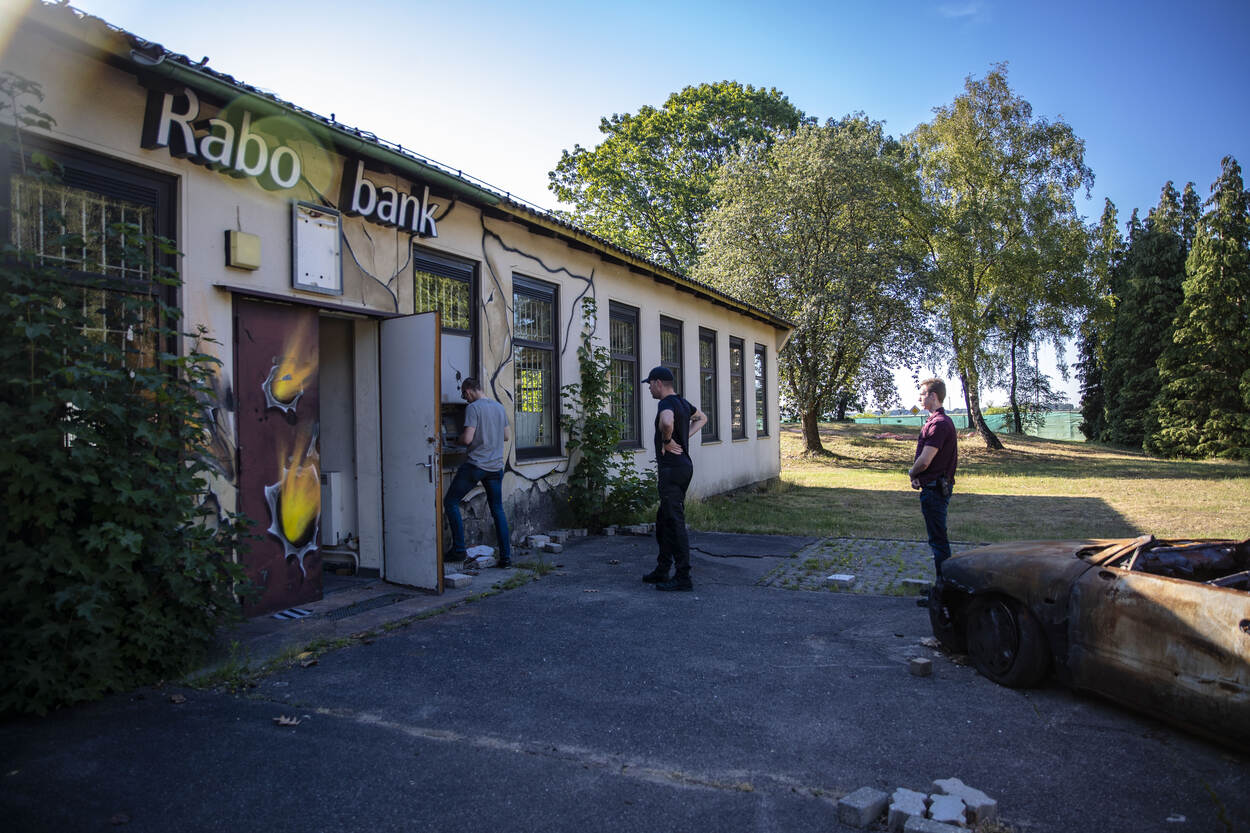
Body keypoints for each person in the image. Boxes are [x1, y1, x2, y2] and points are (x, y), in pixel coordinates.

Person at [640, 366, 707, 592]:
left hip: (672, 470)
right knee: (664, 521)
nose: (649, 388)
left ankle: (683, 576)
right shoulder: (682, 403)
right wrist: (683, 436)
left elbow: (667, 422)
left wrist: (668, 440)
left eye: (650, 384)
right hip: (682, 467)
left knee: (674, 521)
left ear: (658, 383)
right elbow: (702, 418)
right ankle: (662, 568)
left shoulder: (666, 403)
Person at [444, 377, 512, 568]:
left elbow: (467, 439)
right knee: (497, 509)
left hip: (476, 466)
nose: (465, 399)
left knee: (450, 502)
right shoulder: (499, 407)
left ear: (468, 391)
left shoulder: (473, 408)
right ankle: (506, 557)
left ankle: (459, 550)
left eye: (464, 395)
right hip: (495, 468)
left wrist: (454, 440)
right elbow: (506, 436)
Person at [908, 377, 958, 576]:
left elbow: (925, 460)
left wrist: (912, 473)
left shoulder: (939, 424)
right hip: (932, 486)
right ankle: (944, 584)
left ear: (933, 396)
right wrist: (920, 477)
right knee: (937, 539)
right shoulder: (936, 421)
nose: (919, 398)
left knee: (938, 541)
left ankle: (945, 586)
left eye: (922, 394)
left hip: (935, 490)